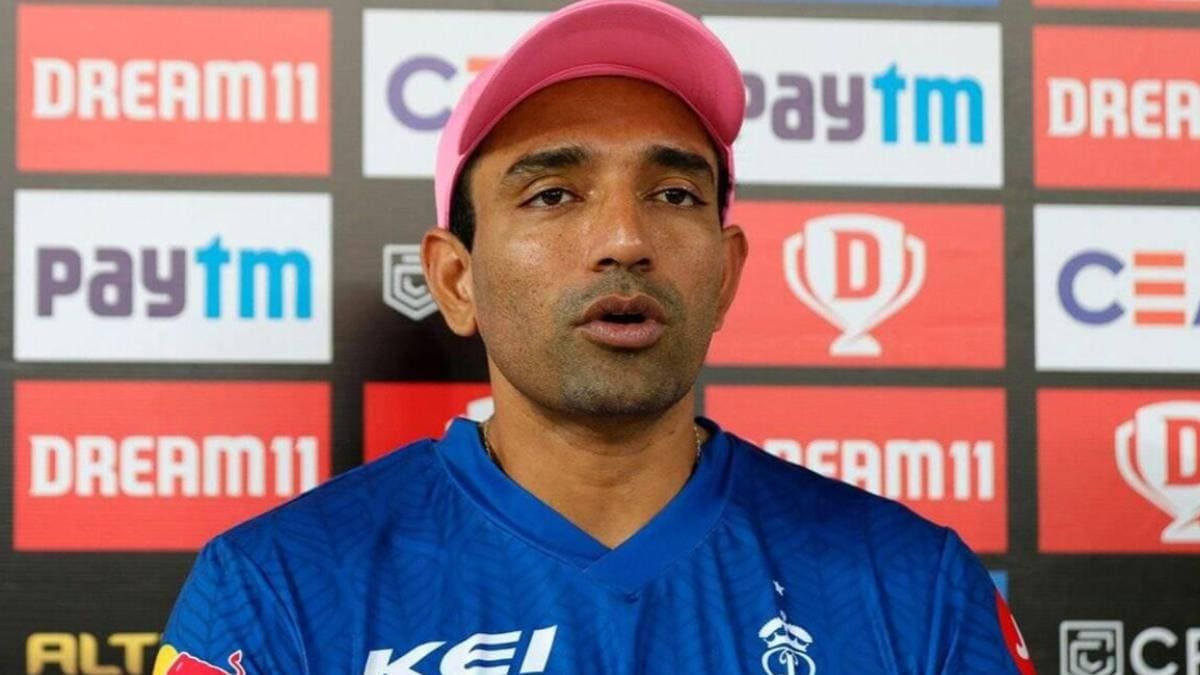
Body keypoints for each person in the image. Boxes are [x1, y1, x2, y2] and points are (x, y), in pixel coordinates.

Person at [153, 1, 1036, 673]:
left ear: (726, 276)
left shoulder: (913, 586)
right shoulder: (275, 588)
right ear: (456, 280)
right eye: (553, 194)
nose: (624, 239)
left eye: (674, 194)